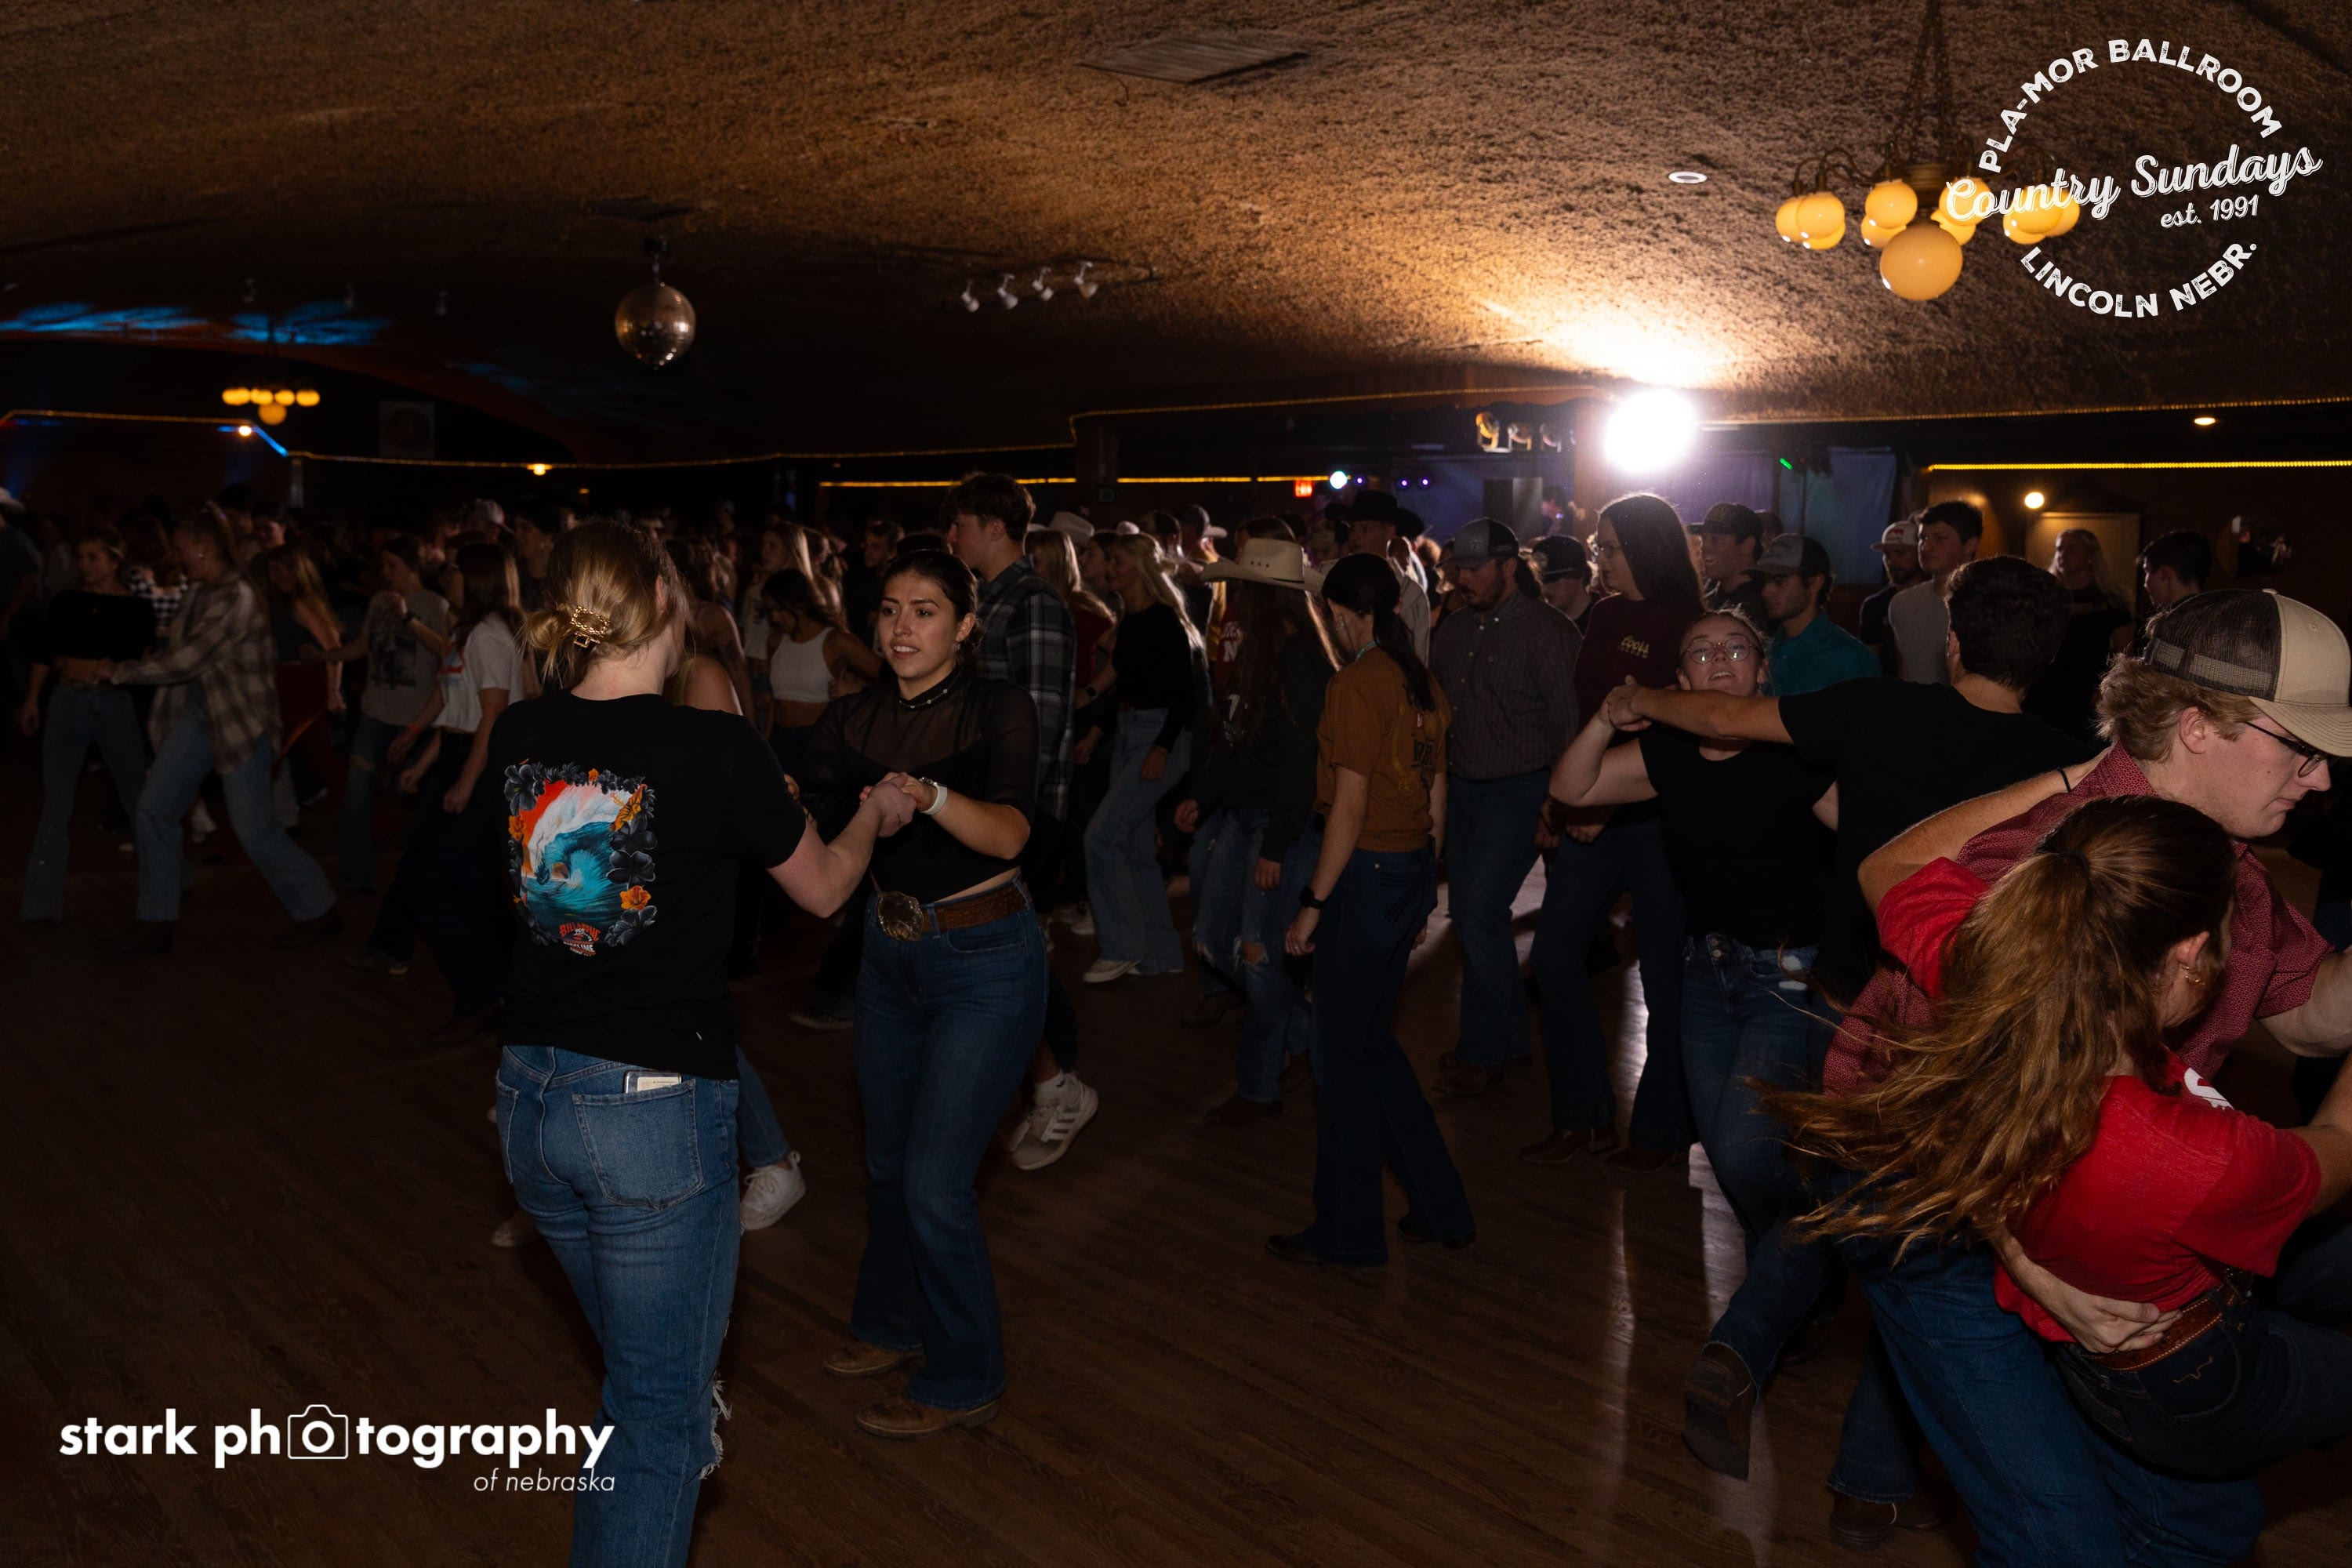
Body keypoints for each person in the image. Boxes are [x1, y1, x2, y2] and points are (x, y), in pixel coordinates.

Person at [1791, 586, 2352, 1559]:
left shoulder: (2219, 859)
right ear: (2197, 724)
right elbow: (1937, 1103)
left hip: (2086, 1201)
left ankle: (1882, 1464)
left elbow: (2307, 1020)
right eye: (2299, 747)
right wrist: (2021, 1256)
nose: (2322, 777)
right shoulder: (2053, 866)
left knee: (2198, 1517)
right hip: (1944, 1205)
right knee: (2057, 1535)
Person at [492, 521, 913, 1563]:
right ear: (665, 606)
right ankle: (676, 1420)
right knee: (657, 1416)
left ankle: (676, 1410)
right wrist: (874, 816)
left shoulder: (521, 733)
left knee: (645, 1388)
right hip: (648, 1116)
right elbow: (825, 889)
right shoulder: (716, 747)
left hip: (529, 1102)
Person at [1554, 608, 1840, 1479]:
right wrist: (1608, 715)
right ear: (1679, 678)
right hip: (1702, 977)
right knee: (1732, 1155)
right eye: (1701, 652)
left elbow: (1871, 835)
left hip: (1790, 976)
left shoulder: (1795, 754)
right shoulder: (1669, 754)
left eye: (1735, 648)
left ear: (1761, 669)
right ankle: (1794, 1289)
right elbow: (1574, 788)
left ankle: (1785, 1289)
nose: (1719, 661)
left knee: (1750, 1153)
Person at [797, 550, 1048, 1436]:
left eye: (926, 610)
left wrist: (932, 795)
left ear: (966, 625)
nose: (902, 627)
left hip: (986, 957)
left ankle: (966, 1374)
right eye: (891, 609)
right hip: (887, 954)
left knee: (938, 1183)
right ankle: (893, 1321)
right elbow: (804, 809)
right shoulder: (850, 718)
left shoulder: (997, 706)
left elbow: (1010, 832)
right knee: (888, 1163)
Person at [1269, 552, 1473, 1265]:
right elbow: (1437, 788)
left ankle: (1349, 1231)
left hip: (1365, 876)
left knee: (1339, 1062)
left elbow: (1349, 807)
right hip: (1407, 868)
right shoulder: (1421, 680)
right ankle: (1441, 1207)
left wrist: (1312, 904)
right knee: (1370, 1047)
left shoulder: (1357, 683)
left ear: (1341, 613)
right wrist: (1424, 881)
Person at [1523, 493, 1704, 1168]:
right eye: (1599, 547)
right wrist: (1566, 799)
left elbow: (1678, 731)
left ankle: (1662, 1130)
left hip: (1657, 819)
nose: (1601, 559)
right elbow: (1585, 713)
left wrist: (1601, 802)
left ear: (1649, 549)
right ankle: (1584, 1117)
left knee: (1663, 978)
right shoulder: (1604, 615)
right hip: (1591, 810)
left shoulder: (1689, 624)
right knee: (1553, 959)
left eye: (1612, 548)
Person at [943, 473, 1098, 1170]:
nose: (953, 537)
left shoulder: (1033, 601)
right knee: (1005, 954)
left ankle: (1058, 1085)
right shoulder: (987, 598)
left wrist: (1010, 820)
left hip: (1019, 815)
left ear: (996, 528)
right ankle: (1051, 1083)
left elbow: (1039, 724)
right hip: (985, 813)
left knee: (1010, 956)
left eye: (962, 524)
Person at [101, 508, 340, 953]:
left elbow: (189, 658)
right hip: (201, 713)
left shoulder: (236, 597)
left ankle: (319, 909)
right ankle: (155, 920)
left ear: (204, 546)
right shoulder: (201, 591)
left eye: (182, 548)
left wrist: (119, 671)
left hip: (242, 721)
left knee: (254, 829)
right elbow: (180, 648)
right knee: (154, 808)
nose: (177, 556)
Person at [1175, 536, 1338, 1120]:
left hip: (1278, 825)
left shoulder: (1303, 661)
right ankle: (1307, 1032)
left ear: (1264, 597)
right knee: (1214, 939)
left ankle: (1259, 1085)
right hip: (1244, 816)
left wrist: (1277, 844)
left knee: (1257, 952)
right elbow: (1235, 739)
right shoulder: (1258, 653)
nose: (1236, 599)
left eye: (1243, 589)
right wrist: (1203, 795)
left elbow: (1300, 764)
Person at [1425, 519, 1583, 1098]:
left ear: (1508, 567)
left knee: (1476, 912)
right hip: (1466, 785)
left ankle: (1483, 1050)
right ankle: (1511, 1039)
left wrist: (1557, 804)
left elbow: (1568, 722)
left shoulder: (1547, 630)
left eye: (1474, 569)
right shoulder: (1455, 626)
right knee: (1477, 916)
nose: (1462, 579)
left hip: (1522, 787)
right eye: (1457, 569)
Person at [350, 543, 522, 1043]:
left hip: (479, 766)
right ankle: (500, 994)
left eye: (456, 572)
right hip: (460, 756)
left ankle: (480, 995)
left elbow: (492, 718)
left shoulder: (489, 636)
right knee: (473, 888)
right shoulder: (471, 633)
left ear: (478, 579)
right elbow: (457, 712)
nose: (448, 579)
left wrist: (465, 783)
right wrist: (424, 758)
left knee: (431, 883)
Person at [1080, 531, 1202, 985]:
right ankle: (1161, 954)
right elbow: (1127, 686)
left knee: (1101, 837)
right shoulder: (1130, 621)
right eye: (1109, 561)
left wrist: (1162, 748)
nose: (1110, 569)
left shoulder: (1164, 620)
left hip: (1158, 734)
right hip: (1132, 731)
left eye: (1117, 561)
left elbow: (1185, 694)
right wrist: (1096, 731)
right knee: (1134, 848)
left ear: (1138, 568)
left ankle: (1122, 947)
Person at [19, 522, 152, 924]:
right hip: (68, 701)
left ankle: (170, 877)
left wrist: (117, 669)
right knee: (57, 802)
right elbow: (45, 651)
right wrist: (32, 699)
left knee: (137, 795)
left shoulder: (134, 607)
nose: (85, 565)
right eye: (81, 557)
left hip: (113, 704)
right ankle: (41, 904)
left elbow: (140, 660)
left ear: (114, 561)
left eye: (93, 557)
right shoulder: (67, 601)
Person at [308, 536, 452, 893]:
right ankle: (354, 878)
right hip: (375, 712)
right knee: (357, 792)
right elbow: (364, 645)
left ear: (412, 567)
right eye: (383, 566)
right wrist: (327, 657)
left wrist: (408, 619)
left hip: (415, 717)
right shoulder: (377, 601)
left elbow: (448, 651)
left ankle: (421, 879)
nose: (386, 573)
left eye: (393, 566)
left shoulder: (435, 604)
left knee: (413, 796)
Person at [759, 567, 880, 775]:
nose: (774, 618)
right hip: (780, 739)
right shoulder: (775, 642)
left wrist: (859, 690)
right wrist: (766, 744)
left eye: (779, 609)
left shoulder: (836, 641)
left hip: (818, 740)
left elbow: (888, 676)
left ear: (799, 604)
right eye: (769, 611)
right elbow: (775, 702)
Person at [2027, 526, 2135, 745]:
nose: (2063, 555)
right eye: (2060, 549)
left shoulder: (2110, 601)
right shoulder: (2045, 598)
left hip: (2088, 688)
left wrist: (2108, 690)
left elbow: (2125, 653)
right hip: (2045, 686)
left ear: (2090, 556)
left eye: (2072, 549)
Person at [1752, 534, 1877, 696]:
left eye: (1778, 580)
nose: (1766, 591)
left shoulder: (1850, 659)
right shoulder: (1767, 648)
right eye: (1764, 580)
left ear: (1815, 583)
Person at [1885, 501, 1981, 684]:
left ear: (1970, 545)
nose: (1926, 547)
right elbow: (1905, 670)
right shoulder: (1903, 604)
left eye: (1940, 538)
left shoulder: (1989, 605)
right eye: (1923, 538)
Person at [1339, 491, 1431, 659]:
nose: (1355, 536)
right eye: (1352, 528)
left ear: (1389, 531)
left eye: (1364, 528)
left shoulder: (1410, 594)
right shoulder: (1333, 578)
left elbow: (1417, 659)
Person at [1857, 519, 1923, 670]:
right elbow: (1870, 663)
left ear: (1919, 553)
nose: (1891, 561)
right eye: (1887, 554)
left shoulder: (1937, 600)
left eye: (1900, 553)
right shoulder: (1875, 606)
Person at [1697, 503, 1769, 626]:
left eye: (1716, 540)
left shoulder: (1767, 602)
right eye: (1703, 539)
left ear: (1747, 546)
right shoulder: (1707, 598)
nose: (1704, 547)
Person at [2138, 528, 2212, 617]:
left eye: (2147, 570)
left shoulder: (2169, 623)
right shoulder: (2218, 616)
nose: (2145, 585)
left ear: (2164, 573)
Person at [1527, 535, 1594, 628]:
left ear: (1578, 574)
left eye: (1554, 578)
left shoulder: (1604, 619)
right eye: (1540, 580)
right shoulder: (1536, 623)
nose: (1545, 588)